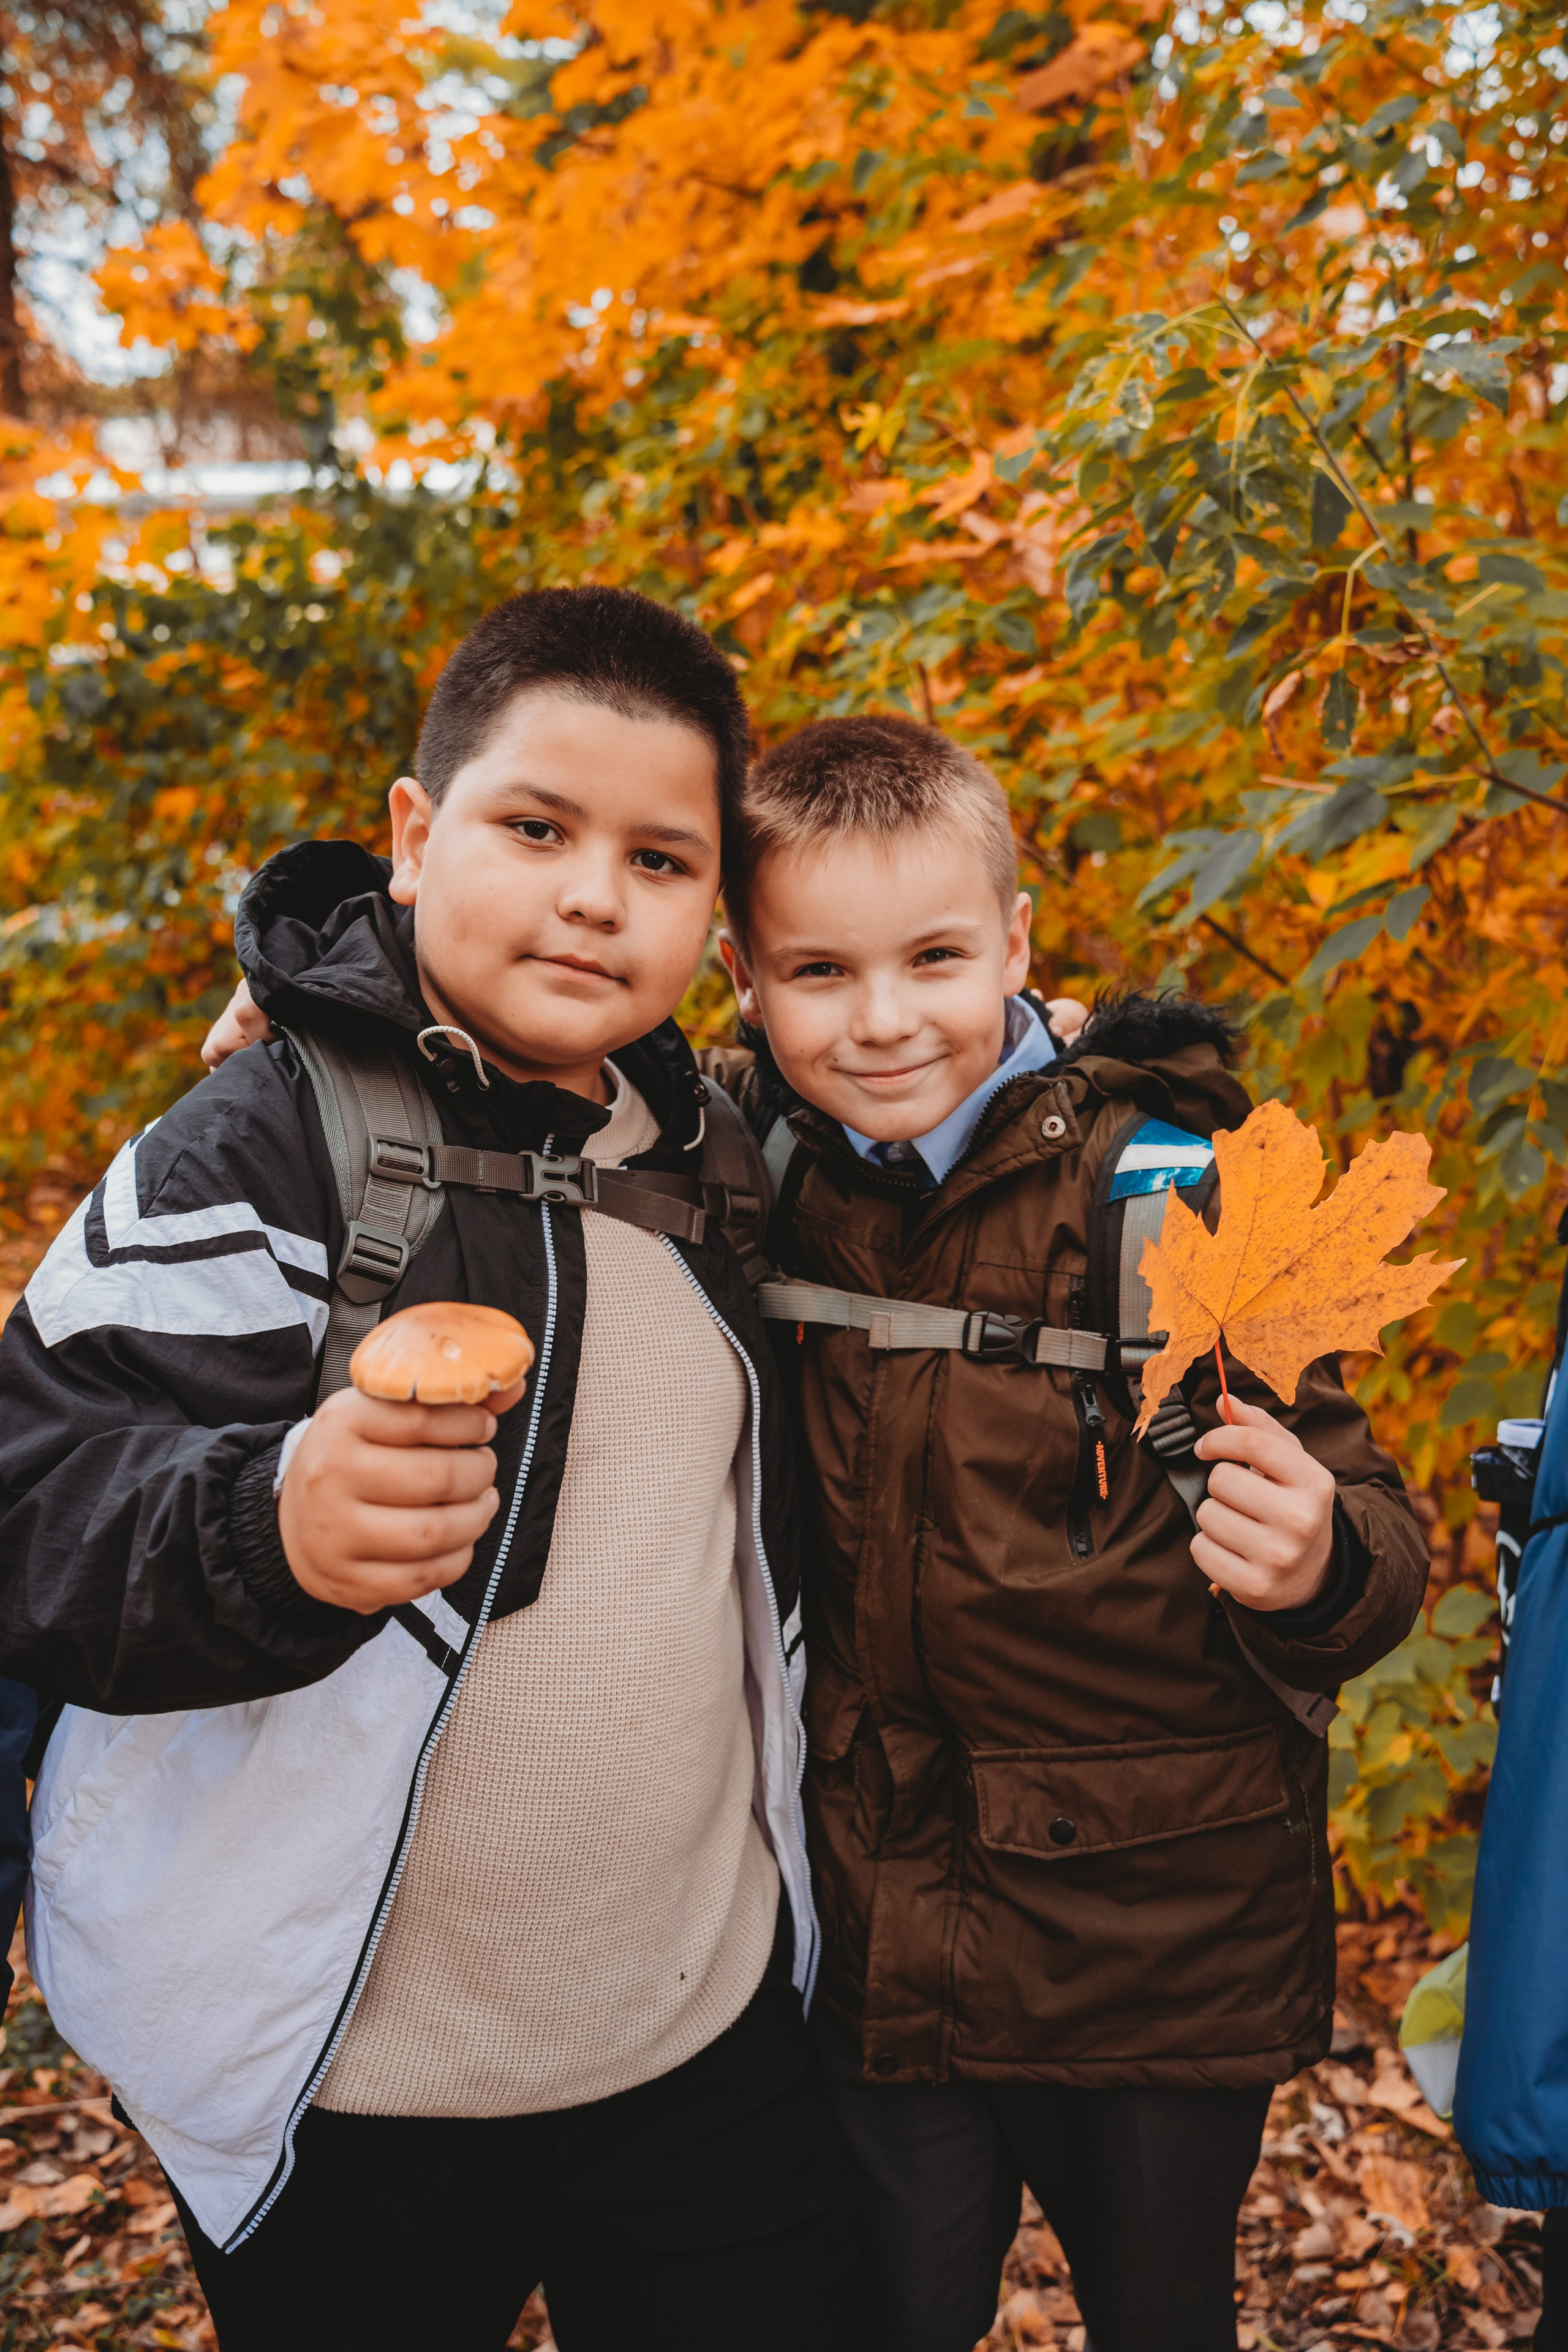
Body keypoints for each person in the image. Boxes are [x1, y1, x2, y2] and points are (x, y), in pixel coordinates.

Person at [0, 588, 867, 2352]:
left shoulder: (722, 1156)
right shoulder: (253, 1150)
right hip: (344, 2099)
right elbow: (35, 1498)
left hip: (701, 2051)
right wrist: (266, 1529)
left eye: (658, 859)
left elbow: (939, 1125)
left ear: (717, 921)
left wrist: (1044, 1058)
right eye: (535, 828)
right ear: (415, 835)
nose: (588, 893)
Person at [705, 715, 1431, 2352]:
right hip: (876, 1912)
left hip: (1153, 1946)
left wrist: (1319, 1565)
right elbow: (525, 1035)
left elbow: (1380, 1542)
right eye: (818, 972)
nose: (884, 1021)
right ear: (742, 977)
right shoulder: (745, 1164)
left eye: (938, 957)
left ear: (1019, 944)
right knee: (878, 2315)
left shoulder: (1190, 1194)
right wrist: (313, 1019)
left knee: (1162, 2319)